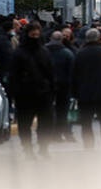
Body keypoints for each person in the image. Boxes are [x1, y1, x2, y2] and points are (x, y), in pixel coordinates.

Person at [8, 21, 55, 158]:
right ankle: (28, 149)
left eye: (37, 34)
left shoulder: (44, 51)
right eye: (32, 34)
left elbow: (50, 72)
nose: (34, 36)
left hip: (43, 94)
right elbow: (13, 74)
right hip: (25, 94)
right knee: (25, 124)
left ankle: (43, 147)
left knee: (45, 124)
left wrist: (51, 89)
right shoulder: (19, 53)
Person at [71, 28, 101, 149]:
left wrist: (75, 92)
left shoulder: (80, 54)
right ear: (99, 38)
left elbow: (74, 74)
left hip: (85, 94)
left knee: (86, 122)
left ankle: (88, 145)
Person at [45, 30, 76, 142]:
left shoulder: (44, 51)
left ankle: (49, 134)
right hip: (64, 86)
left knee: (48, 110)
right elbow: (72, 71)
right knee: (62, 111)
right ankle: (59, 133)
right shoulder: (67, 53)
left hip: (47, 86)